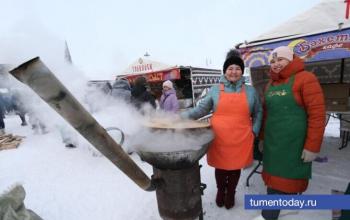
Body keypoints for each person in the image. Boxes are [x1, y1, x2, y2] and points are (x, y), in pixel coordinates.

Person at [181, 49, 262, 209]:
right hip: (219, 137)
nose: (234, 72)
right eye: (230, 68)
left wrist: (255, 130)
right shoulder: (215, 89)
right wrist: (180, 117)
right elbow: (201, 110)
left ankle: (230, 192)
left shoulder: (251, 91)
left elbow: (259, 111)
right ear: (225, 71)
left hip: (242, 137)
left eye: (237, 68)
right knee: (221, 167)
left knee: (235, 167)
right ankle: (220, 191)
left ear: (242, 71)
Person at [255, 46, 325, 220]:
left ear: (290, 59)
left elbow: (317, 115)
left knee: (284, 181)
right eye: (272, 61)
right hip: (273, 143)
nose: (276, 64)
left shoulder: (306, 79)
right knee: (274, 179)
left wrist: (312, 147)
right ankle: (283, 208)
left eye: (280, 60)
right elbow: (266, 115)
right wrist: (262, 138)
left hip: (294, 144)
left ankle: (268, 216)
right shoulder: (270, 84)